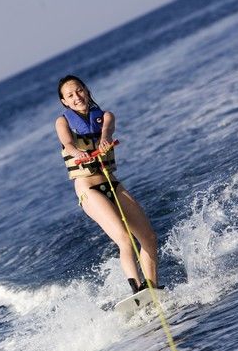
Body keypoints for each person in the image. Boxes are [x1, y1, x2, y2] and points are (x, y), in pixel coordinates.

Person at [55, 75, 161, 294]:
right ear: (64, 101)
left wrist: (104, 140)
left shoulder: (105, 116)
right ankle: (137, 290)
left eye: (79, 91)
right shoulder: (63, 122)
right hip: (88, 189)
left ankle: (152, 289)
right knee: (124, 238)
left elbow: (107, 131)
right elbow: (67, 143)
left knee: (149, 237)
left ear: (86, 90)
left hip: (112, 184)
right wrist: (78, 153)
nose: (77, 97)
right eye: (70, 95)